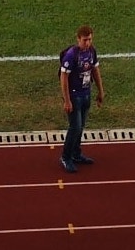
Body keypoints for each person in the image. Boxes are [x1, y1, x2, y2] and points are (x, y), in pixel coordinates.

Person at [59, 24, 104, 174]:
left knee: (81, 126)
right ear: (78, 39)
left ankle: (76, 154)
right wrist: (67, 100)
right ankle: (66, 157)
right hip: (74, 96)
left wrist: (100, 91)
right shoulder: (72, 55)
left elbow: (95, 70)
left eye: (90, 39)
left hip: (86, 94)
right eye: (85, 40)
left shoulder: (92, 52)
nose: (87, 43)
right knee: (75, 127)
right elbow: (64, 77)